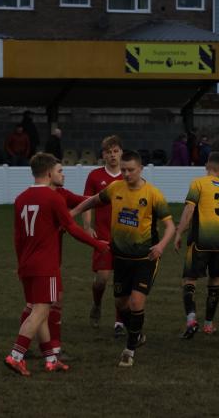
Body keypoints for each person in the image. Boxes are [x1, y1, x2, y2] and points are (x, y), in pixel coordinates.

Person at [5, 153, 108, 376]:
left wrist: (20, 263)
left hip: (27, 265)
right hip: (46, 265)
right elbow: (72, 228)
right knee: (40, 311)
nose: (63, 174)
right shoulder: (53, 198)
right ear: (49, 173)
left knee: (39, 312)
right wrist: (98, 245)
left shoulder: (21, 198)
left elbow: (17, 237)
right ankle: (16, 356)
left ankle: (51, 359)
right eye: (60, 171)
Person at [72, 150, 175, 367]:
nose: (126, 174)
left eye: (131, 170)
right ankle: (138, 335)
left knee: (136, 302)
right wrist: (71, 214)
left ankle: (129, 350)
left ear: (141, 169)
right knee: (121, 303)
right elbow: (92, 201)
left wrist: (161, 246)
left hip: (145, 258)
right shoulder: (115, 188)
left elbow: (170, 226)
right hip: (120, 257)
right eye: (124, 170)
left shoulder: (153, 194)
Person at [173, 152, 219, 338]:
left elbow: (190, 209)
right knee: (214, 283)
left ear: (207, 165)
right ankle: (208, 325)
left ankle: (192, 320)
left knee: (189, 280)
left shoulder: (198, 183)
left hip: (201, 240)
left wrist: (179, 232)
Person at [82, 135, 125, 336]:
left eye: (116, 151)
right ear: (103, 155)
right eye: (109, 152)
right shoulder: (94, 176)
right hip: (102, 237)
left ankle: (119, 322)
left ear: (121, 153)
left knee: (121, 281)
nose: (112, 155)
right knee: (101, 280)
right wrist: (87, 226)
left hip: (125, 238)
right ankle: (97, 304)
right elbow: (87, 203)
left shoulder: (128, 175)